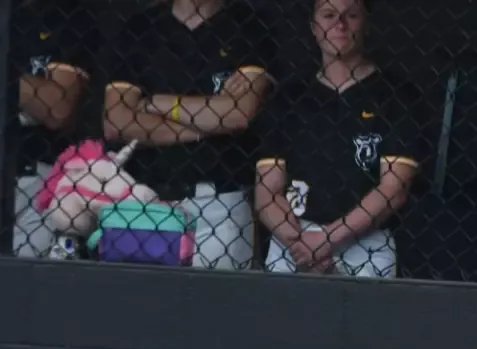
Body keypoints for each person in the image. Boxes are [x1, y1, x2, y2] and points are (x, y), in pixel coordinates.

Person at [254, 0, 427, 278]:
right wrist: (302, 244)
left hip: (366, 240)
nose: (340, 24)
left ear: (366, 24)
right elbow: (266, 193)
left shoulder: (396, 96)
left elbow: (393, 190)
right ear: (313, 26)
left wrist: (325, 241)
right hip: (293, 236)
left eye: (352, 15)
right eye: (329, 14)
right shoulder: (289, 99)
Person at [101, 0, 277, 270]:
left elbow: (239, 114)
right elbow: (116, 122)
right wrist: (207, 123)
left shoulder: (248, 24)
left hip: (221, 202)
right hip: (146, 199)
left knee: (218, 307)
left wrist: (156, 103)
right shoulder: (141, 28)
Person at [9, 0, 96, 258]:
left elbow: (57, 109)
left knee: (25, 284)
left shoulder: (66, 15)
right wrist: (30, 93)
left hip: (34, 177)